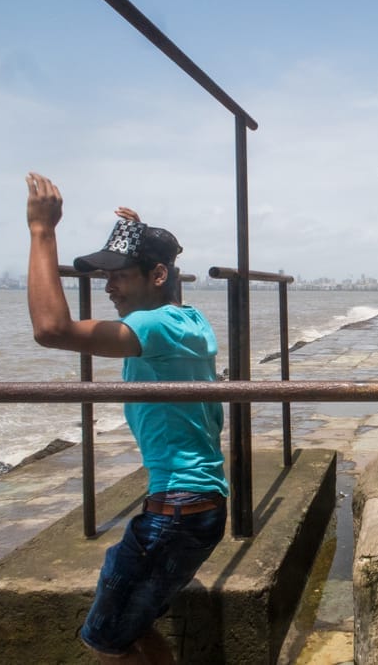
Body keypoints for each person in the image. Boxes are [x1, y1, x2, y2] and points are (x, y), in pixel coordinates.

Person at [25, 172, 228, 663]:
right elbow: (159, 287)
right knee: (129, 631)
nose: (108, 285)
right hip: (196, 504)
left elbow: (52, 329)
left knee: (106, 639)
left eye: (120, 273)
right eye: (106, 274)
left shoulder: (153, 326)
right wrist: (137, 236)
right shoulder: (187, 320)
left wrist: (41, 231)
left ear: (157, 276)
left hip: (177, 512)